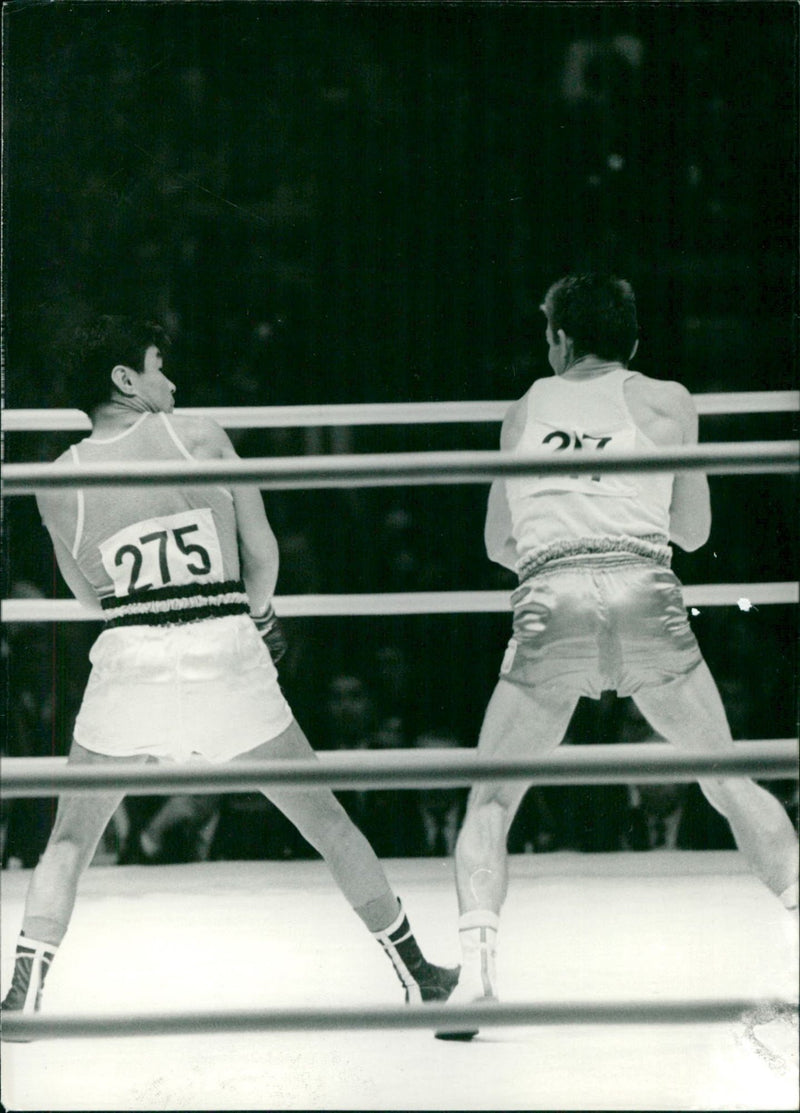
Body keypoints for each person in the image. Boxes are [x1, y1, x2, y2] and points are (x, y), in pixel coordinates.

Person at [1, 315, 457, 1033]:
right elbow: (264, 558)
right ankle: (419, 974)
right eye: (157, 366)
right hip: (223, 646)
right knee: (328, 822)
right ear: (125, 379)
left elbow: (89, 597)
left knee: (68, 839)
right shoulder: (200, 435)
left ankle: (22, 996)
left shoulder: (57, 483)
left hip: (130, 659)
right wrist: (261, 619)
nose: (170, 381)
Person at [436, 274, 799, 1040]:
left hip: (552, 602)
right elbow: (695, 532)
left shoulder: (523, 410)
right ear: (631, 339)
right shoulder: (670, 401)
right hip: (644, 593)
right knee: (726, 777)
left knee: (492, 802)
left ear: (560, 338)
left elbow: (499, 544)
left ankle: (478, 980)